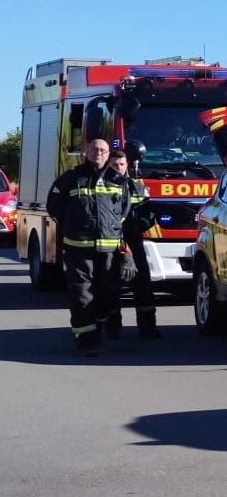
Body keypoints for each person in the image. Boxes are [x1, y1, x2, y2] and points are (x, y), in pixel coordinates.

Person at [47, 139, 134, 356]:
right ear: (86, 151)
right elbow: (54, 207)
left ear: (108, 154)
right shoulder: (70, 179)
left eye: (103, 150)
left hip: (108, 251)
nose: (98, 153)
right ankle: (86, 340)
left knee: (106, 295)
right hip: (78, 249)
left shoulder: (118, 181)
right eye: (94, 149)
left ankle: (99, 324)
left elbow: (123, 212)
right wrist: (73, 227)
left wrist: (120, 245)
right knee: (81, 294)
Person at [109, 151, 161, 339]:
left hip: (134, 241)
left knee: (143, 285)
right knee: (110, 287)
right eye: (115, 165)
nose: (119, 168)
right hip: (110, 243)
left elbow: (149, 213)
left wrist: (140, 225)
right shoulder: (102, 186)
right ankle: (112, 328)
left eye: (122, 164)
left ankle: (148, 327)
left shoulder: (137, 188)